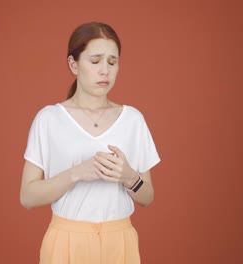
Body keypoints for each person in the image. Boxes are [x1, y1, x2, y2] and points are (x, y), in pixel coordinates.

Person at [20, 22, 160, 264]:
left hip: (120, 243)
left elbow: (147, 197)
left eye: (112, 62)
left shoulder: (133, 119)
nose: (105, 70)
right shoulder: (49, 119)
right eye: (95, 61)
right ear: (74, 64)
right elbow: (28, 196)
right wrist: (75, 174)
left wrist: (129, 176)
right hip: (66, 243)